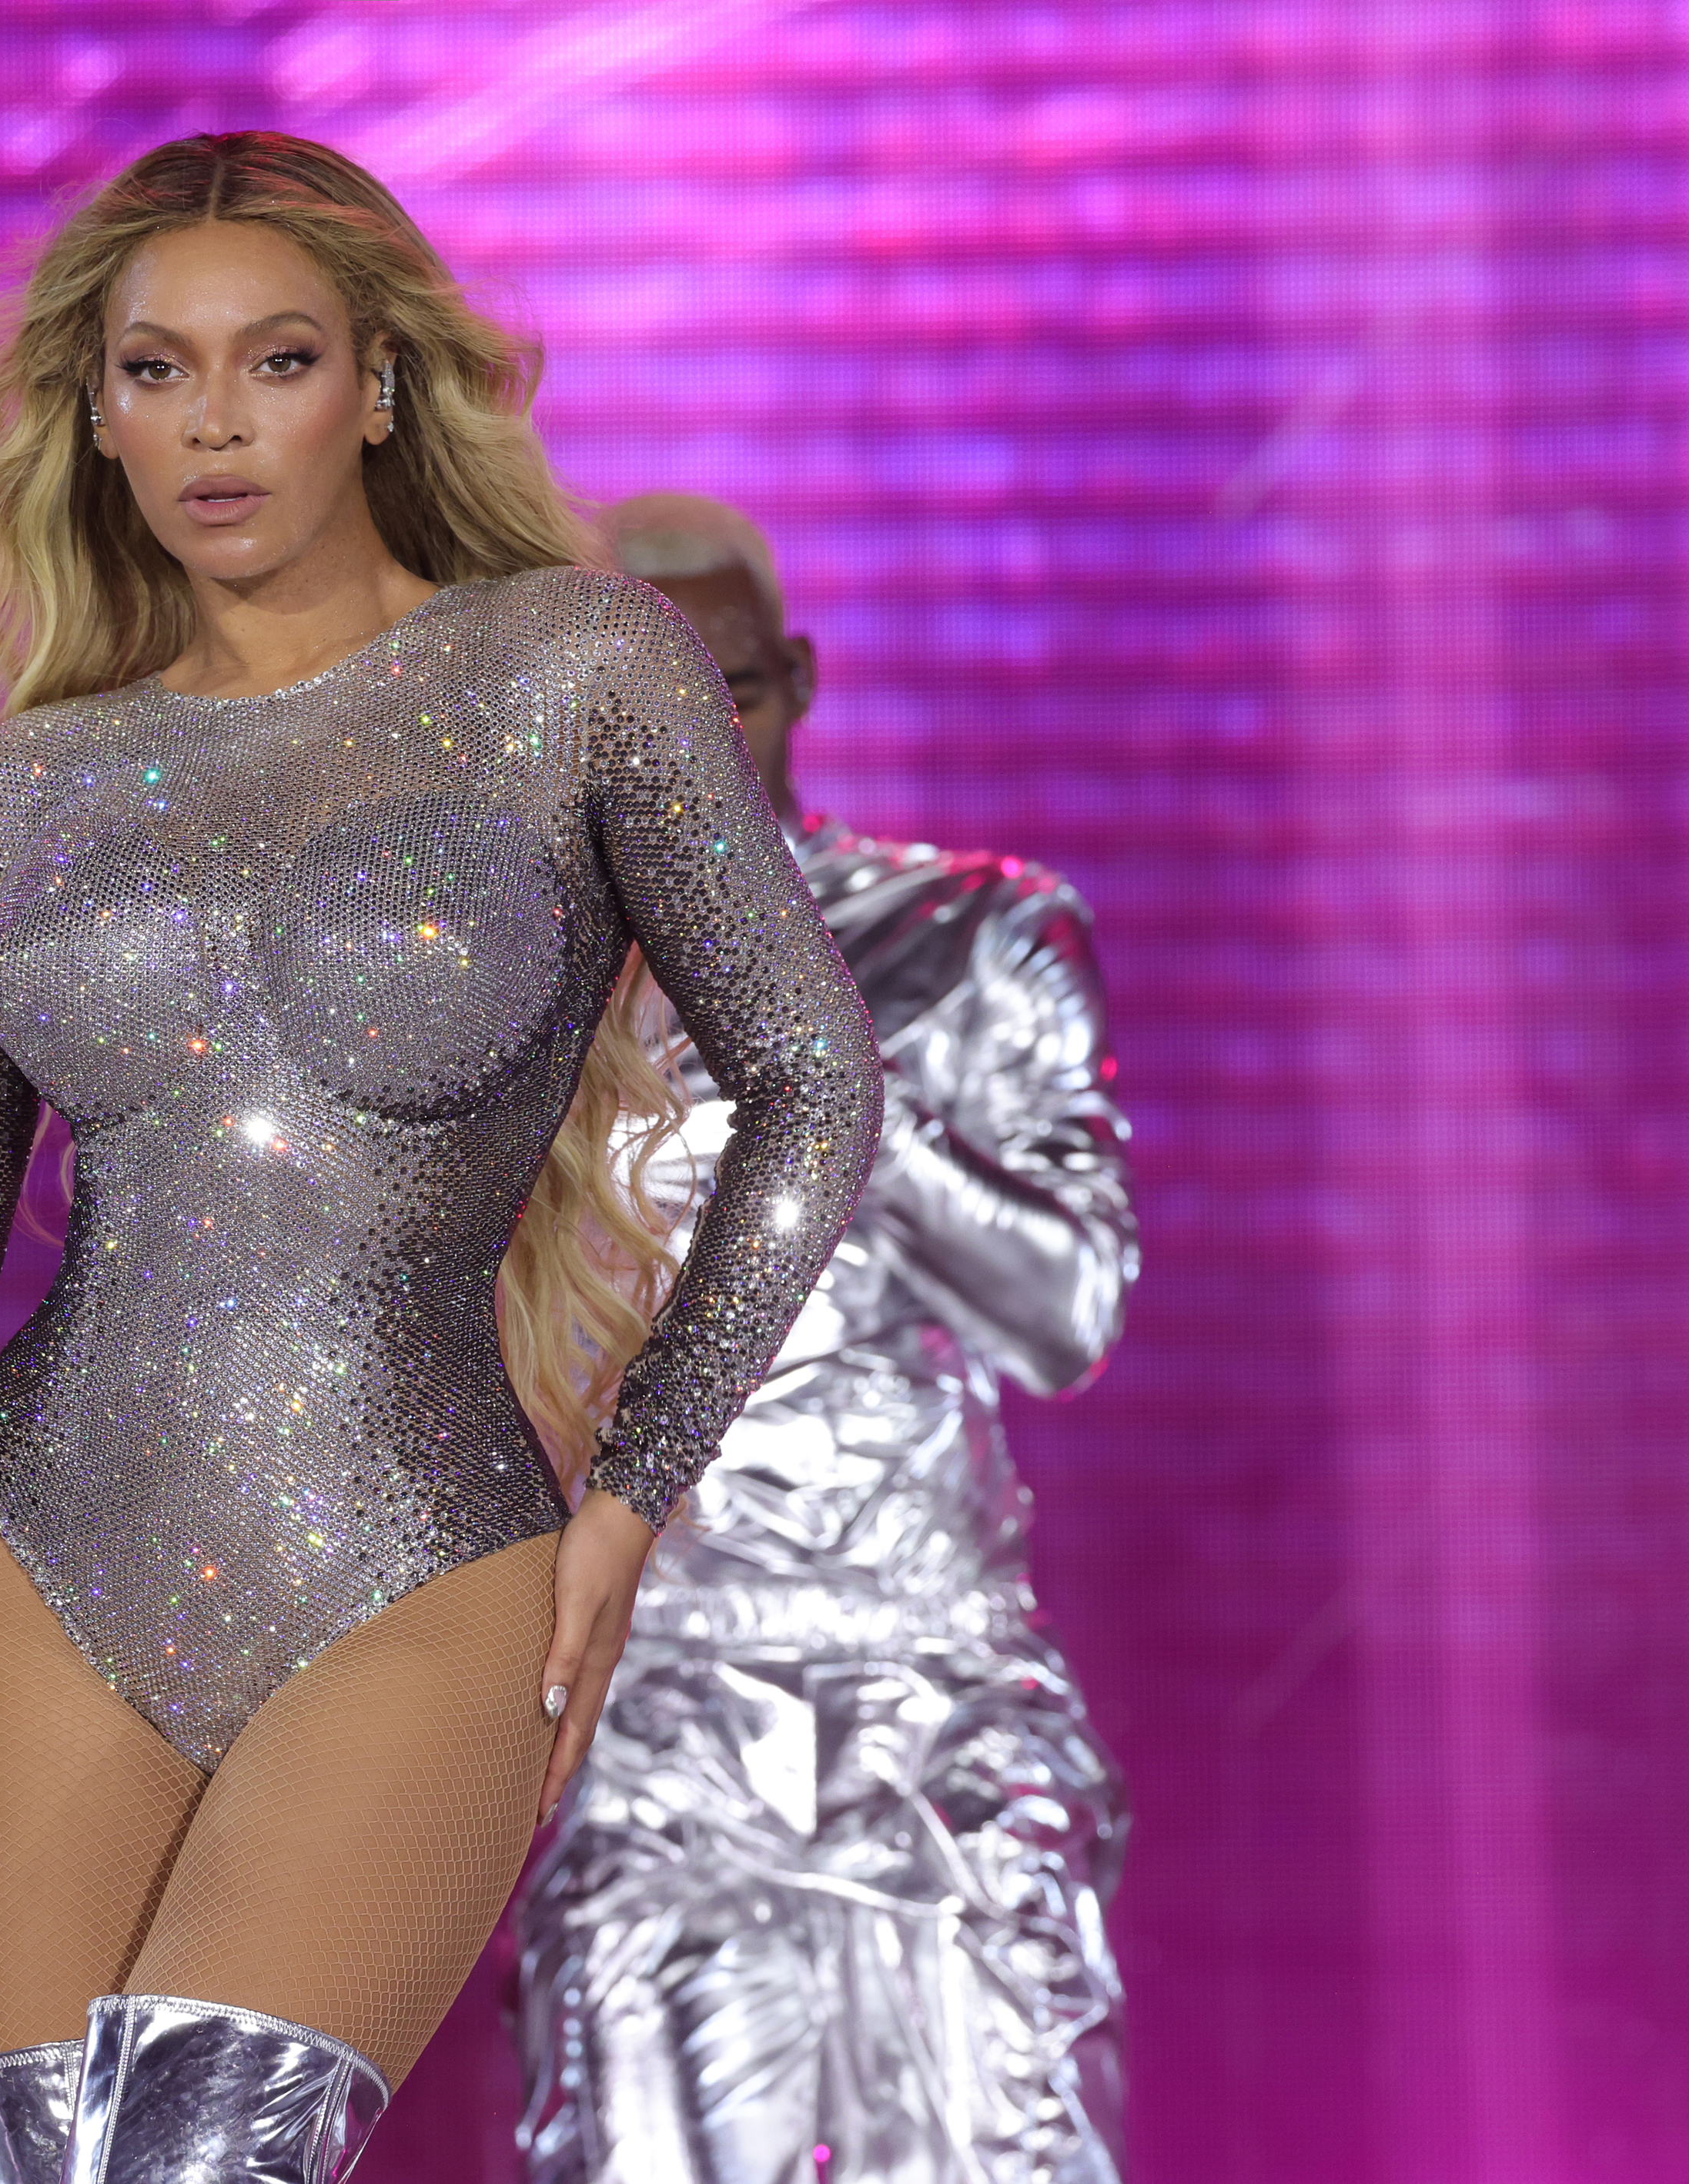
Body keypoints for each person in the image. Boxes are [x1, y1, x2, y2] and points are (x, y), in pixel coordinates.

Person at [0, 134, 883, 2184]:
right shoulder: (40, 779)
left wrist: (630, 1496)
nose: (212, 423)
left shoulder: (572, 668)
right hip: (33, 1569)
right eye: (155, 370)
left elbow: (813, 1083)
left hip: (425, 1563)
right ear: (93, 417)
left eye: (271, 361)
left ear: (374, 383)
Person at [513, 493, 1139, 2184]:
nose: (701, 743)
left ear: (797, 681)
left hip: (926, 1691)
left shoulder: (973, 937)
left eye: (735, 692)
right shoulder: (520, 985)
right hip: (648, 1697)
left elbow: (1068, 1315)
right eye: (648, 708)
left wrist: (825, 1076)